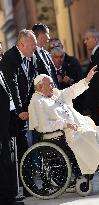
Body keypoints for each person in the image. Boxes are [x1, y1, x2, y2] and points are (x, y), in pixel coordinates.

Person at [28, 67, 99, 189]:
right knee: (92, 136)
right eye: (50, 84)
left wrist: (86, 80)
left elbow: (72, 91)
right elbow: (43, 126)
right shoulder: (36, 101)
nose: (53, 85)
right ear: (41, 87)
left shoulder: (55, 94)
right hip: (59, 136)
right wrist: (64, 124)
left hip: (74, 130)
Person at [0, 29, 37, 197]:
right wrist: (21, 109)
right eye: (32, 44)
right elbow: (13, 86)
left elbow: (31, 83)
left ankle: (28, 187)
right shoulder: (10, 58)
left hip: (24, 111)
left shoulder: (31, 57)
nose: (35, 47)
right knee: (15, 151)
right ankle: (16, 189)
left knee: (24, 148)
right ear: (21, 44)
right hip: (12, 114)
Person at [0, 46, 24, 204]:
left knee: (7, 159)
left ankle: (9, 195)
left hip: (6, 122)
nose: (1, 53)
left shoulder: (1, 71)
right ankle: (5, 198)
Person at [49, 38, 83, 113]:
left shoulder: (73, 62)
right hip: (56, 107)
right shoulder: (47, 66)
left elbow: (82, 83)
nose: (56, 49)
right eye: (53, 48)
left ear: (62, 47)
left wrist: (70, 81)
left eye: (58, 46)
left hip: (74, 105)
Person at [32, 23, 59, 88]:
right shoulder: (31, 55)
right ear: (41, 35)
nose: (49, 37)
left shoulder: (47, 54)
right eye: (48, 34)